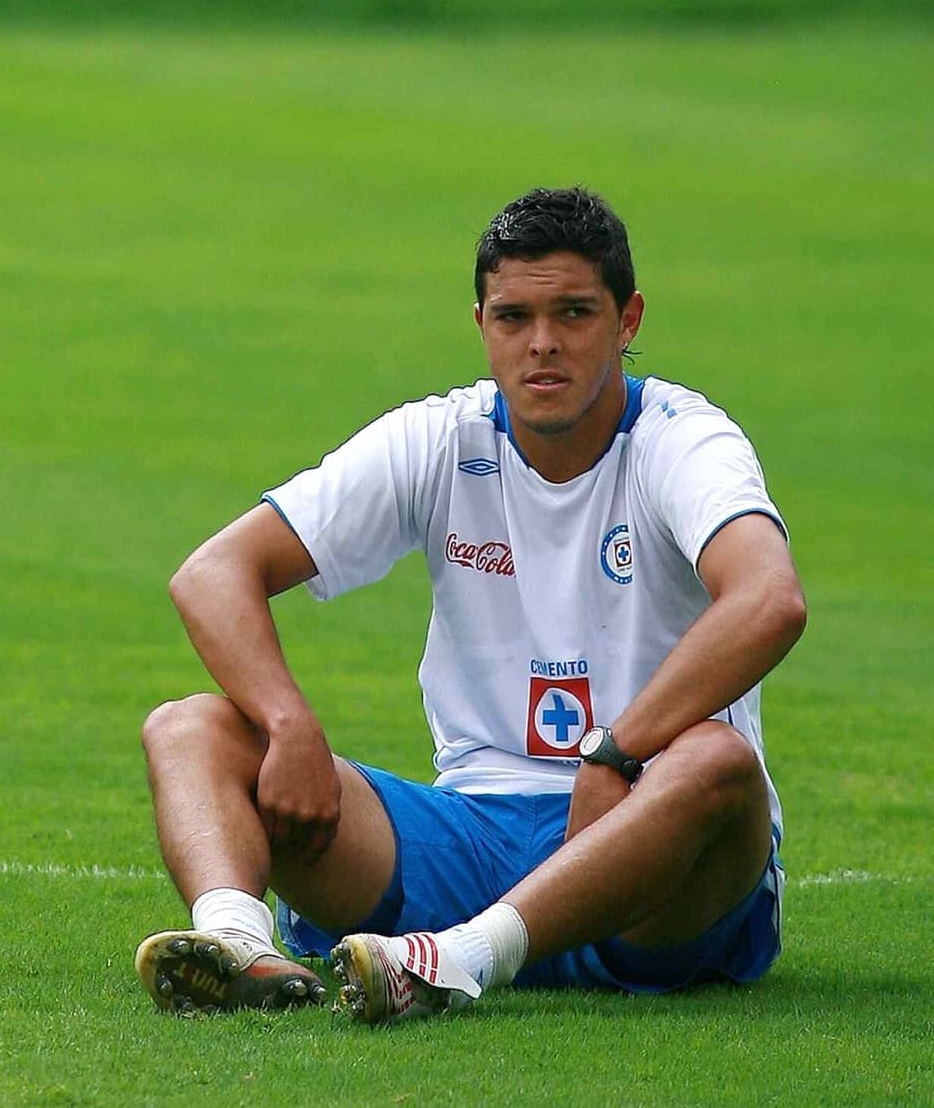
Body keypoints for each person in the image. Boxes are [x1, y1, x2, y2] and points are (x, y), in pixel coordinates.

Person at [135, 186, 806, 1024]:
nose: (543, 344)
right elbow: (211, 572)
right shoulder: (443, 437)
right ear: (481, 322)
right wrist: (289, 723)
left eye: (573, 312)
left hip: (650, 849)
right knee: (189, 727)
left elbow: (769, 599)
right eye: (513, 316)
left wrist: (616, 752)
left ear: (628, 320)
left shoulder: (682, 438)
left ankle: (454, 959)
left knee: (717, 760)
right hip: (471, 830)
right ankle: (240, 944)